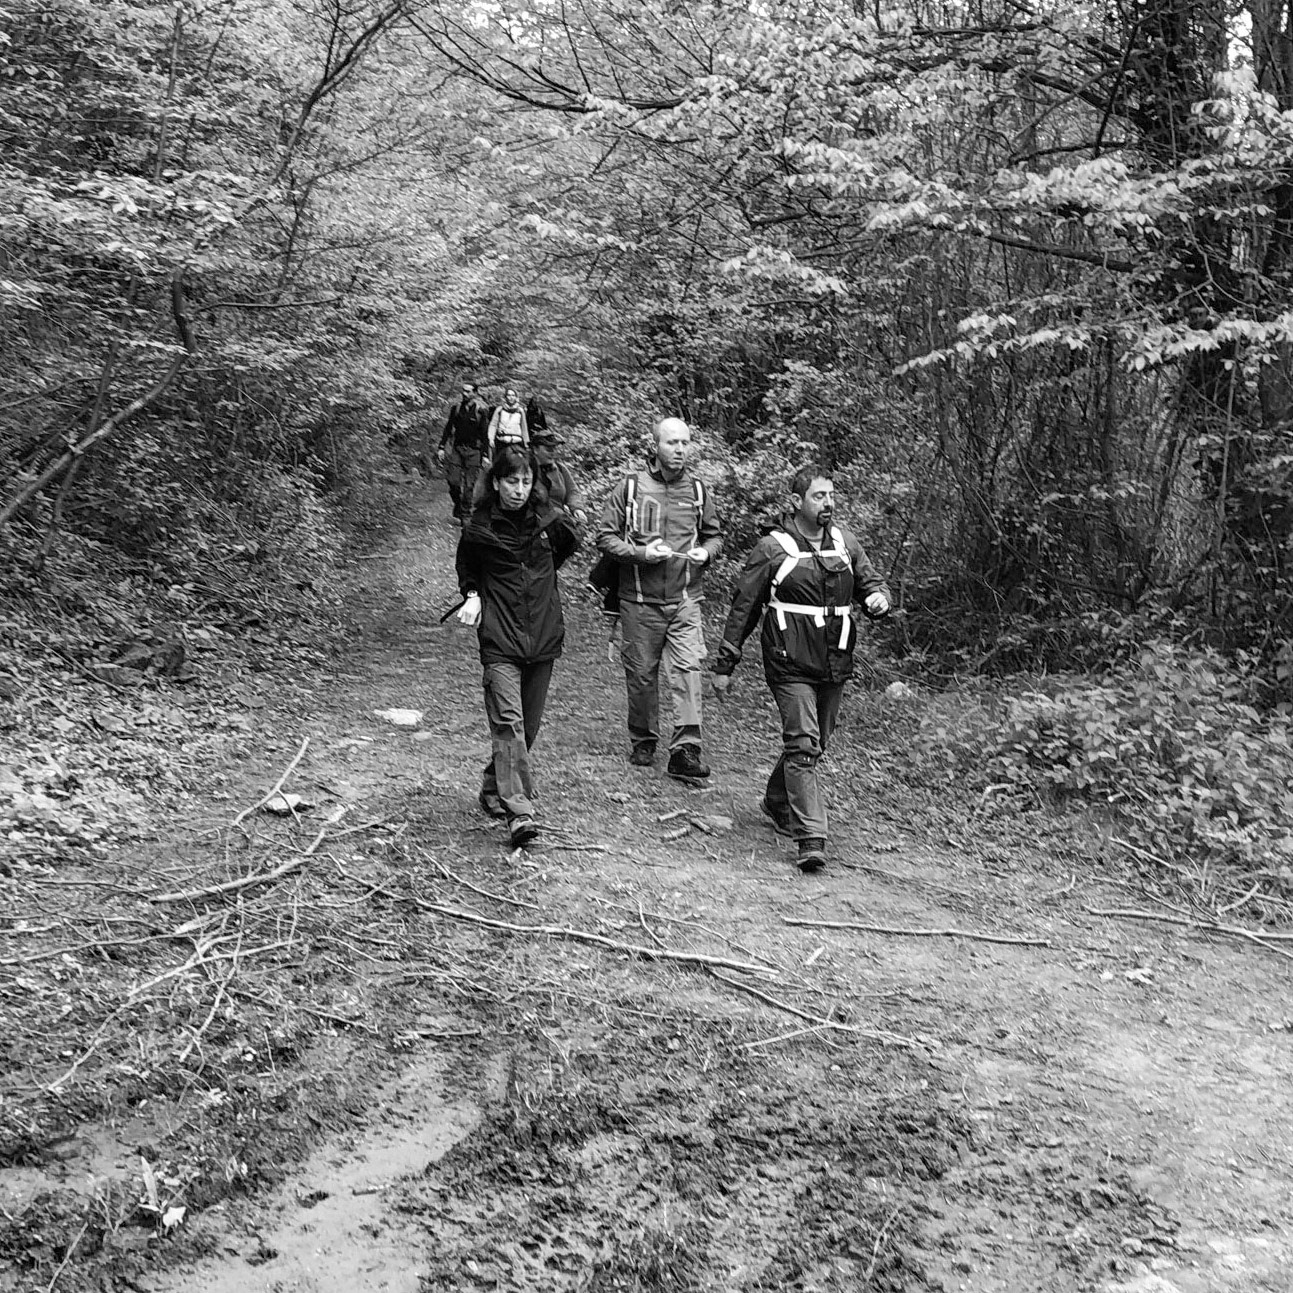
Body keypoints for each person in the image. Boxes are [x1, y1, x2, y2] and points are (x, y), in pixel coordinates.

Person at [710, 466, 890, 873]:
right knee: (804, 743)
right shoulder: (773, 548)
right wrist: (726, 662)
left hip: (834, 660)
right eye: (818, 496)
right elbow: (744, 607)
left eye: (830, 496)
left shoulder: (846, 544)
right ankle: (811, 837)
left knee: (816, 741)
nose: (827, 503)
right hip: (788, 661)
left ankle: (777, 800)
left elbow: (871, 584)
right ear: (797, 501)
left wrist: (879, 598)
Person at [454, 446, 580, 849]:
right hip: (500, 639)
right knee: (508, 722)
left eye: (526, 481)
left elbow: (560, 554)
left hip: (542, 637)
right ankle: (519, 812)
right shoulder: (479, 529)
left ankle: (494, 785)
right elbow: (468, 568)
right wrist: (473, 593)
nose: (519, 489)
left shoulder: (551, 524)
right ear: (496, 482)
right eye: (511, 481)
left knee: (527, 728)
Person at [595, 417, 721, 783]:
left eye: (685, 443)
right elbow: (605, 537)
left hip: (685, 599)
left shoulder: (697, 490)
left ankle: (686, 749)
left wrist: (707, 554)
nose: (680, 450)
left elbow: (714, 536)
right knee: (641, 675)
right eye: (672, 443)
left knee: (688, 671)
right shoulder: (631, 487)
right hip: (638, 600)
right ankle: (644, 738)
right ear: (656, 446)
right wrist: (641, 554)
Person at [434, 382, 490, 521]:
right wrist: (441, 447)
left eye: (468, 391)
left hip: (474, 451)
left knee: (469, 485)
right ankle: (458, 505)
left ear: (475, 393)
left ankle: (466, 515)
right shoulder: (456, 409)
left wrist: (485, 455)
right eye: (463, 391)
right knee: (453, 481)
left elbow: (485, 435)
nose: (464, 394)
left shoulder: (480, 411)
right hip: (457, 449)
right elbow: (448, 428)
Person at [532, 426, 588, 525]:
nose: (553, 453)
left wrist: (577, 509)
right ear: (535, 449)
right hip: (533, 524)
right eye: (548, 449)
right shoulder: (526, 470)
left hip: (559, 524)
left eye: (554, 448)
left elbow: (572, 492)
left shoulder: (561, 469)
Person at [487, 387, 529, 454]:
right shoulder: (500, 409)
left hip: (517, 442)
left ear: (516, 397)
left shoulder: (520, 411)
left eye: (513, 395)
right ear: (505, 397)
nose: (511, 397)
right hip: (502, 441)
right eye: (509, 395)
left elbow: (524, 427)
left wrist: (526, 442)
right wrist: (491, 438)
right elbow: (493, 425)